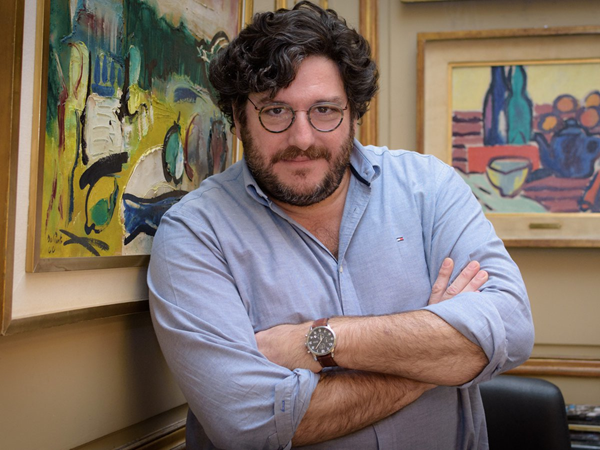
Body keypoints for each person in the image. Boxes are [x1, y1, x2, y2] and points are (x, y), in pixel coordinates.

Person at [148, 2, 534, 448]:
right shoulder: (195, 234)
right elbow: (251, 425)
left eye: (325, 110)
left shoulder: (428, 187)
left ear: (354, 113)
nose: (302, 138)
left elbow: (513, 328)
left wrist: (319, 341)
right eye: (275, 111)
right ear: (238, 119)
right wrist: (434, 360)